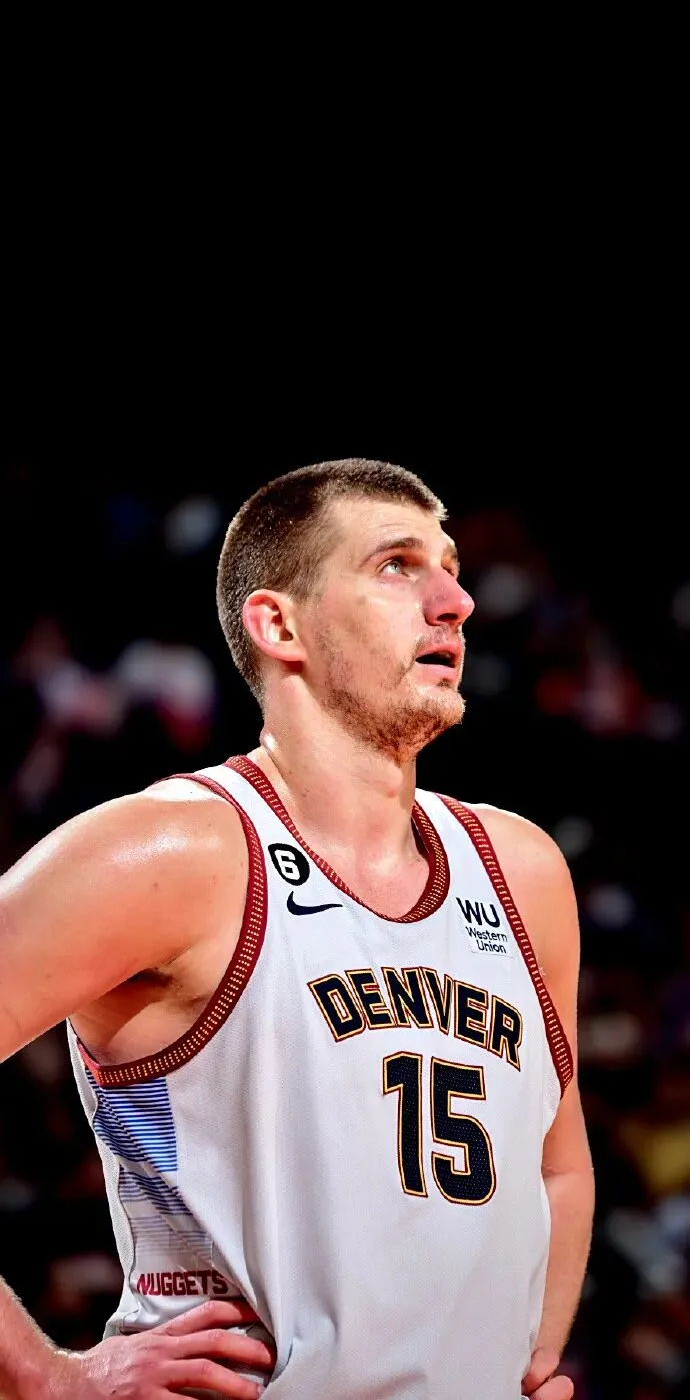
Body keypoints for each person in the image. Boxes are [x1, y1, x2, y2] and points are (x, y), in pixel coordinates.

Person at [0, 458, 595, 1400]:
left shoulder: (522, 870)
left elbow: (557, 1164)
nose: (456, 602)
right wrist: (47, 1378)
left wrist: (528, 1366)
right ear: (280, 625)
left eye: (449, 567)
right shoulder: (171, 851)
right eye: (397, 566)